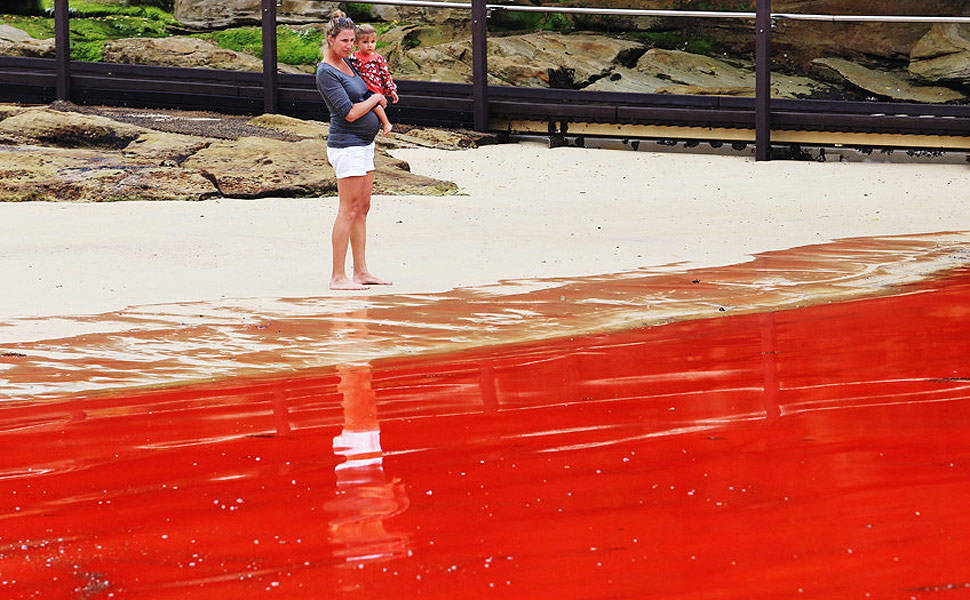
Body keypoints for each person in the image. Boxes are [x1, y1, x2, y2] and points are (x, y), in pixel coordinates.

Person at [316, 11, 391, 290]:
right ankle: (338, 276)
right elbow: (349, 113)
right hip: (346, 146)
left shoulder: (349, 64)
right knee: (347, 210)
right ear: (331, 40)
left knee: (362, 208)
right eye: (344, 41)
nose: (349, 45)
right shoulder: (326, 72)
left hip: (364, 145)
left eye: (352, 40)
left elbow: (364, 95)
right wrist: (375, 99)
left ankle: (361, 271)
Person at [349, 24, 399, 136]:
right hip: (360, 89)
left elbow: (385, 75)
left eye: (372, 42)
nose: (369, 45)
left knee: (374, 105)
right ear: (357, 43)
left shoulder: (378, 59)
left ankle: (386, 123)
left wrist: (391, 90)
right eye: (365, 42)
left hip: (374, 90)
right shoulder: (354, 58)